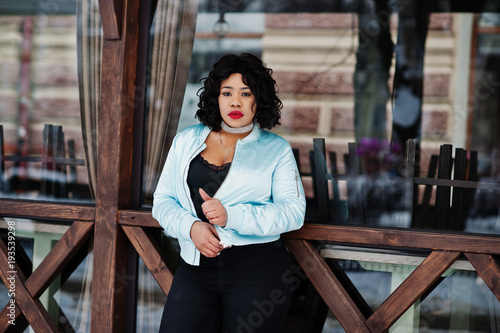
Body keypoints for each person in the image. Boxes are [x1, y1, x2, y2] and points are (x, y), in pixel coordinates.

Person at [152, 53, 306, 333]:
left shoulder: (277, 149)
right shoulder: (186, 140)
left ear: (258, 99)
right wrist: (191, 227)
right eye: (227, 93)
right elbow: (162, 201)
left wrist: (231, 216)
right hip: (195, 268)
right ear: (216, 97)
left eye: (245, 93)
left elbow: (293, 213)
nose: (235, 102)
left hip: (257, 272)